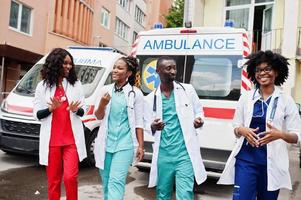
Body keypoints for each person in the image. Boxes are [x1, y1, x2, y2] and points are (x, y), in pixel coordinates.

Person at [218, 50, 301, 200]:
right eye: (258, 70)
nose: (262, 73)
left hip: (271, 164)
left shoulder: (286, 101)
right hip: (246, 161)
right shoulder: (246, 97)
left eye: (267, 69)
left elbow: (297, 136)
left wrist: (280, 134)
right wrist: (241, 130)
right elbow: (236, 125)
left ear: (276, 71)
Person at [143, 56, 207, 200]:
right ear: (158, 71)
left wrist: (199, 120)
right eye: (168, 68)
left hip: (184, 153)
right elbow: (146, 125)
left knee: (185, 194)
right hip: (163, 154)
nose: (173, 71)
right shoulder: (149, 99)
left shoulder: (188, 90)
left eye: (174, 68)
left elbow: (199, 111)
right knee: (163, 194)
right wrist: (153, 126)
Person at [33, 48, 87, 200]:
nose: (69, 67)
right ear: (55, 63)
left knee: (70, 178)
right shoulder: (42, 86)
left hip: (71, 141)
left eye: (70, 64)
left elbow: (84, 110)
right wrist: (50, 109)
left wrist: (77, 110)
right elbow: (37, 114)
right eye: (65, 63)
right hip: (52, 142)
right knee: (53, 182)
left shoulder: (76, 84)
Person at [93, 56, 144, 200]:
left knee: (116, 181)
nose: (115, 70)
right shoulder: (105, 90)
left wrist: (141, 146)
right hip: (105, 143)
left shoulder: (136, 93)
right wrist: (102, 104)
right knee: (107, 181)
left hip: (125, 144)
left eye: (120, 68)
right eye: (114, 67)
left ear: (129, 73)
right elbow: (98, 116)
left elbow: (139, 122)